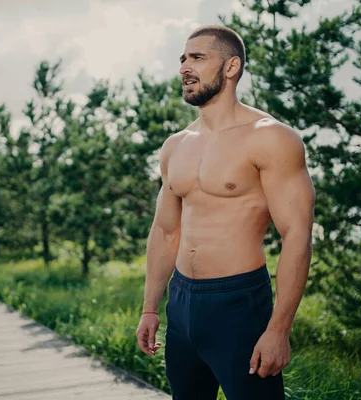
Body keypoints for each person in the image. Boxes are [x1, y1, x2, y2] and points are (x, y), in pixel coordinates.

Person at [135, 25, 316, 399]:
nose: (185, 67)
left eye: (198, 58)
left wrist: (279, 329)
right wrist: (150, 308)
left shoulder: (271, 138)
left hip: (238, 304)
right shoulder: (176, 146)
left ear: (231, 67)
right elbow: (166, 232)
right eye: (183, 58)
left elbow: (296, 234)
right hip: (181, 302)